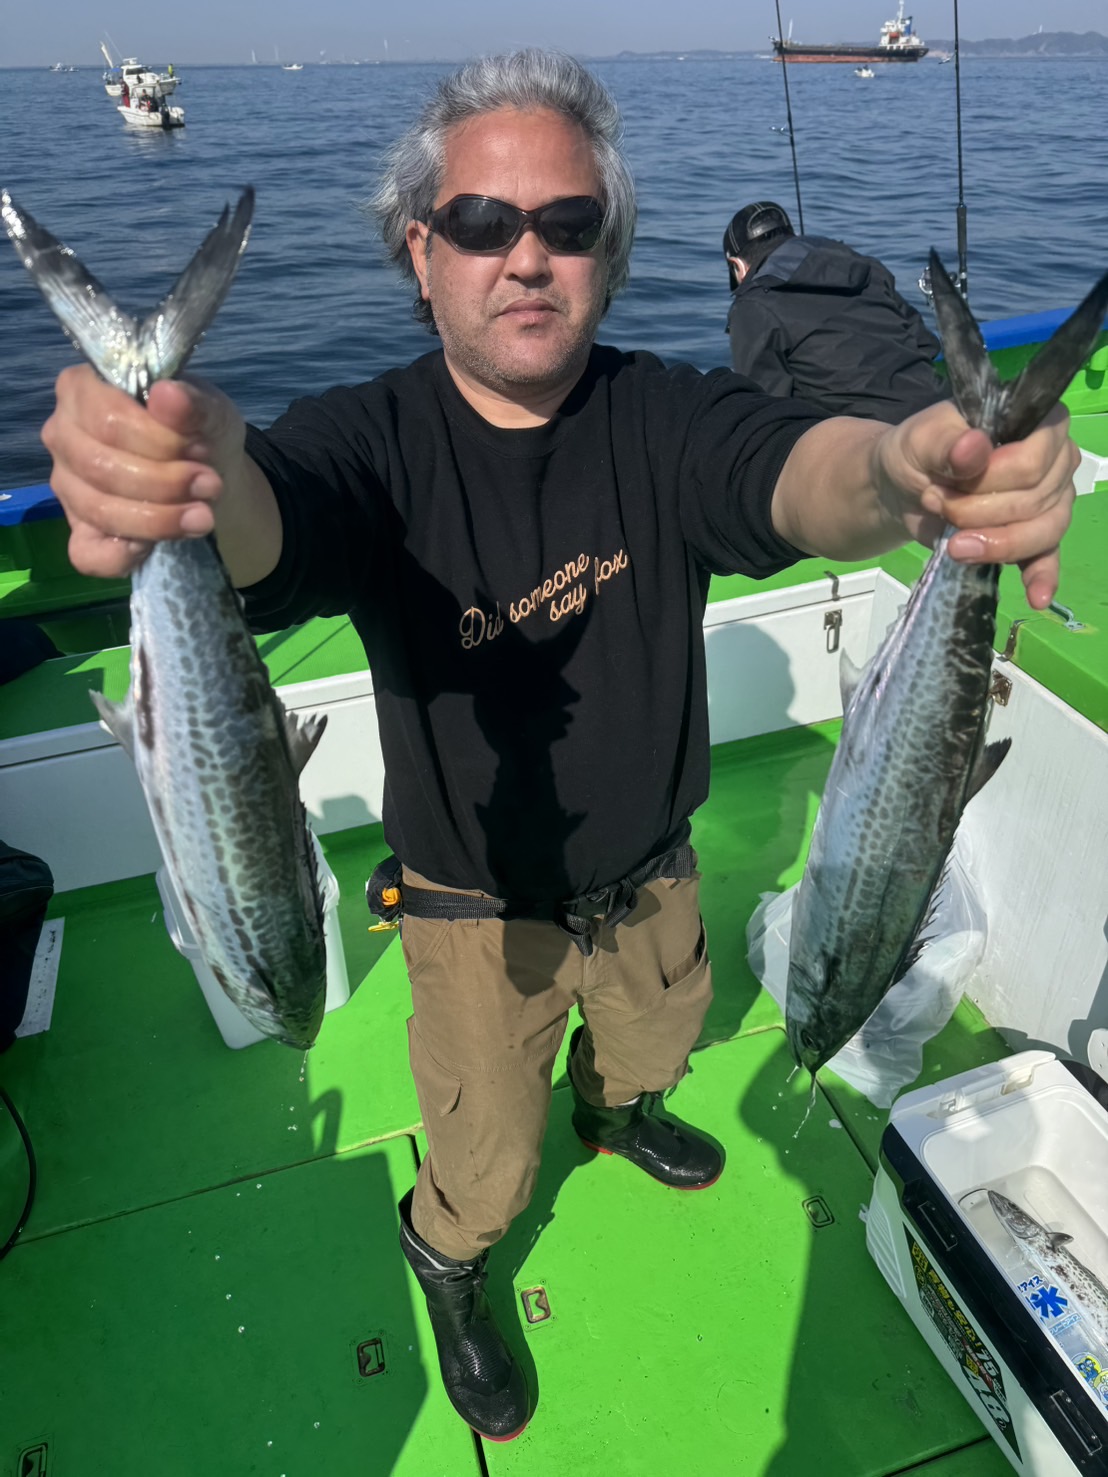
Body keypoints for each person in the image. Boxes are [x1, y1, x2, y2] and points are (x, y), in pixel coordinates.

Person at [40, 50, 1076, 1443]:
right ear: (423, 254)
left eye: (567, 224)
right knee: (484, 1155)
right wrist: (194, 464)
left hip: (654, 877)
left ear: (608, 254)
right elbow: (272, 518)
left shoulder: (665, 416)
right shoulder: (372, 442)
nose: (525, 254)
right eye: (482, 222)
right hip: (473, 916)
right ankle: (447, 1253)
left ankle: (618, 1110)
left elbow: (804, 475)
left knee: (653, 1047)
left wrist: (913, 469)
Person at [723, 200, 951, 423]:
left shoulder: (753, 305)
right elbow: (927, 345)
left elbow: (766, 412)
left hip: (876, 438)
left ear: (737, 266)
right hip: (944, 414)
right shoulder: (866, 267)